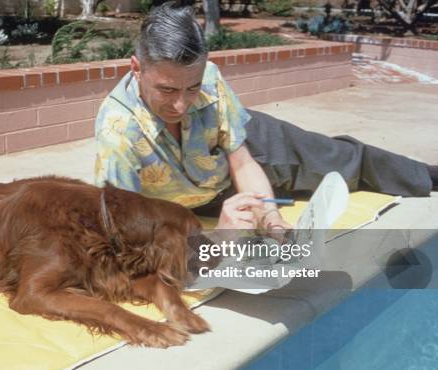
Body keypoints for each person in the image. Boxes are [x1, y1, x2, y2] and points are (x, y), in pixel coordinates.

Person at [93, 2, 438, 230]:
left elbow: (242, 164)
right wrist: (220, 239)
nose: (181, 105)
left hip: (248, 148)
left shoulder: (210, 76)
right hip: (197, 200)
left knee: (343, 161)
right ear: (137, 69)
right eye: (167, 90)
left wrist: (271, 216)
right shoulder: (119, 133)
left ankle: (428, 176)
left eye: (192, 88)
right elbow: (126, 232)